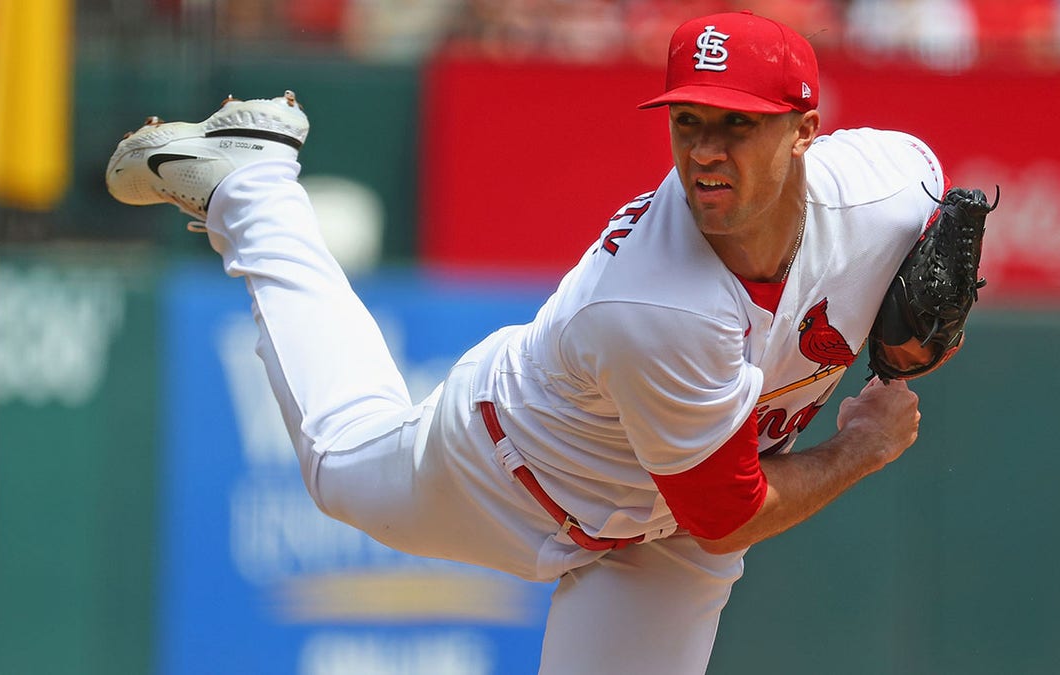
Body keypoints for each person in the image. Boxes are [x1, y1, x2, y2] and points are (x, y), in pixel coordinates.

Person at [108, 11, 938, 674]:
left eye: (738, 124)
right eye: (688, 121)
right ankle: (252, 184)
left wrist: (923, 339)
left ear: (805, 130)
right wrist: (860, 448)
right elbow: (727, 515)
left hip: (666, 538)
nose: (705, 151)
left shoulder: (894, 188)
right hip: (515, 470)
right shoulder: (659, 303)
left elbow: (934, 222)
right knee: (338, 464)